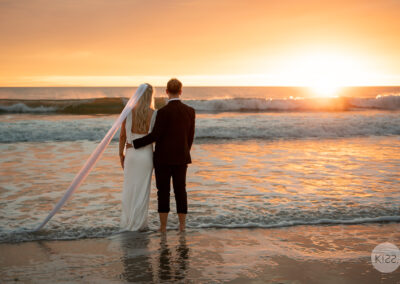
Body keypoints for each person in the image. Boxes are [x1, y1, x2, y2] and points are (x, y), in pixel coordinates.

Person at [133, 78, 195, 233]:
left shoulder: (162, 112)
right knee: (181, 191)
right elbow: (190, 137)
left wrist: (135, 143)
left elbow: (156, 135)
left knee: (163, 192)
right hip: (181, 158)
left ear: (167, 92)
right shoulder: (190, 111)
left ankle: (163, 227)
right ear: (180, 91)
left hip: (162, 159)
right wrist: (184, 151)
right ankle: (182, 226)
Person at [119, 83, 157, 231]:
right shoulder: (155, 113)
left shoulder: (127, 112)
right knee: (142, 191)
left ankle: (128, 223)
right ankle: (139, 225)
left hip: (131, 155)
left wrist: (120, 154)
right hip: (146, 156)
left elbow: (122, 136)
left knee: (129, 190)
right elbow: (156, 138)